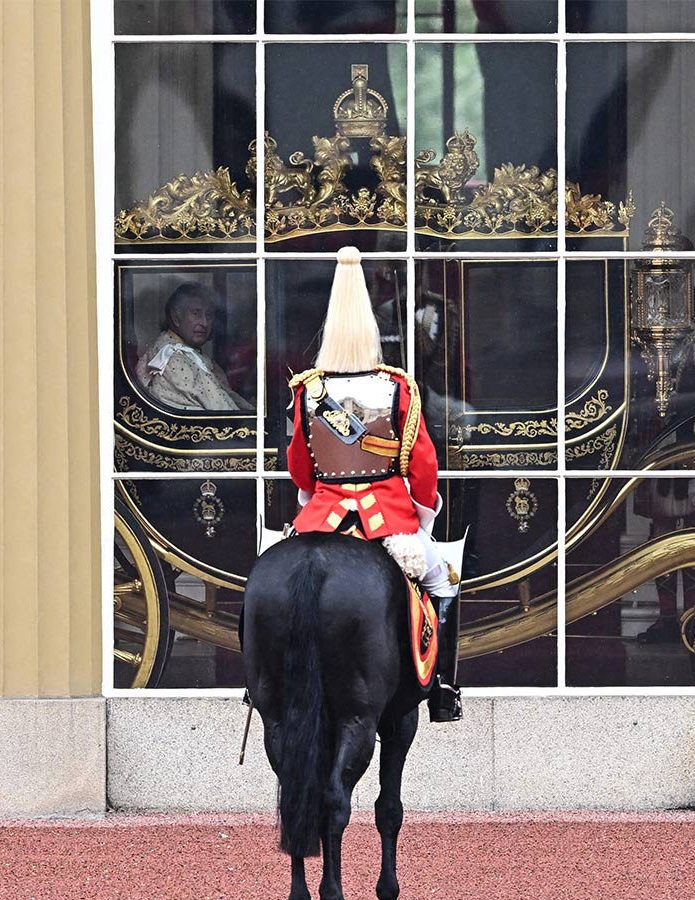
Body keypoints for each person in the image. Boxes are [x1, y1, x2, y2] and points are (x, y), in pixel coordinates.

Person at [285, 247, 463, 722]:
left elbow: (300, 468)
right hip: (387, 526)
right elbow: (424, 467)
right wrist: (420, 519)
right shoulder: (398, 386)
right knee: (443, 580)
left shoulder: (308, 389)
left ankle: (256, 685)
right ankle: (443, 688)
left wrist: (316, 500)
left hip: (321, 520)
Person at [138, 283, 253, 412]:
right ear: (176, 318)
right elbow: (224, 411)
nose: (204, 323)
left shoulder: (187, 354)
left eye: (209, 315)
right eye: (196, 313)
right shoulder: (174, 358)